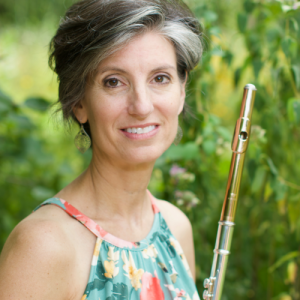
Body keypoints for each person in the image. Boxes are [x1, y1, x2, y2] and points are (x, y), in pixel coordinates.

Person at [0, 0, 202, 299]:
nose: (142, 106)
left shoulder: (175, 228)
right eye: (114, 82)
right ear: (78, 102)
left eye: (160, 78)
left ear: (182, 92)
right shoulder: (44, 247)